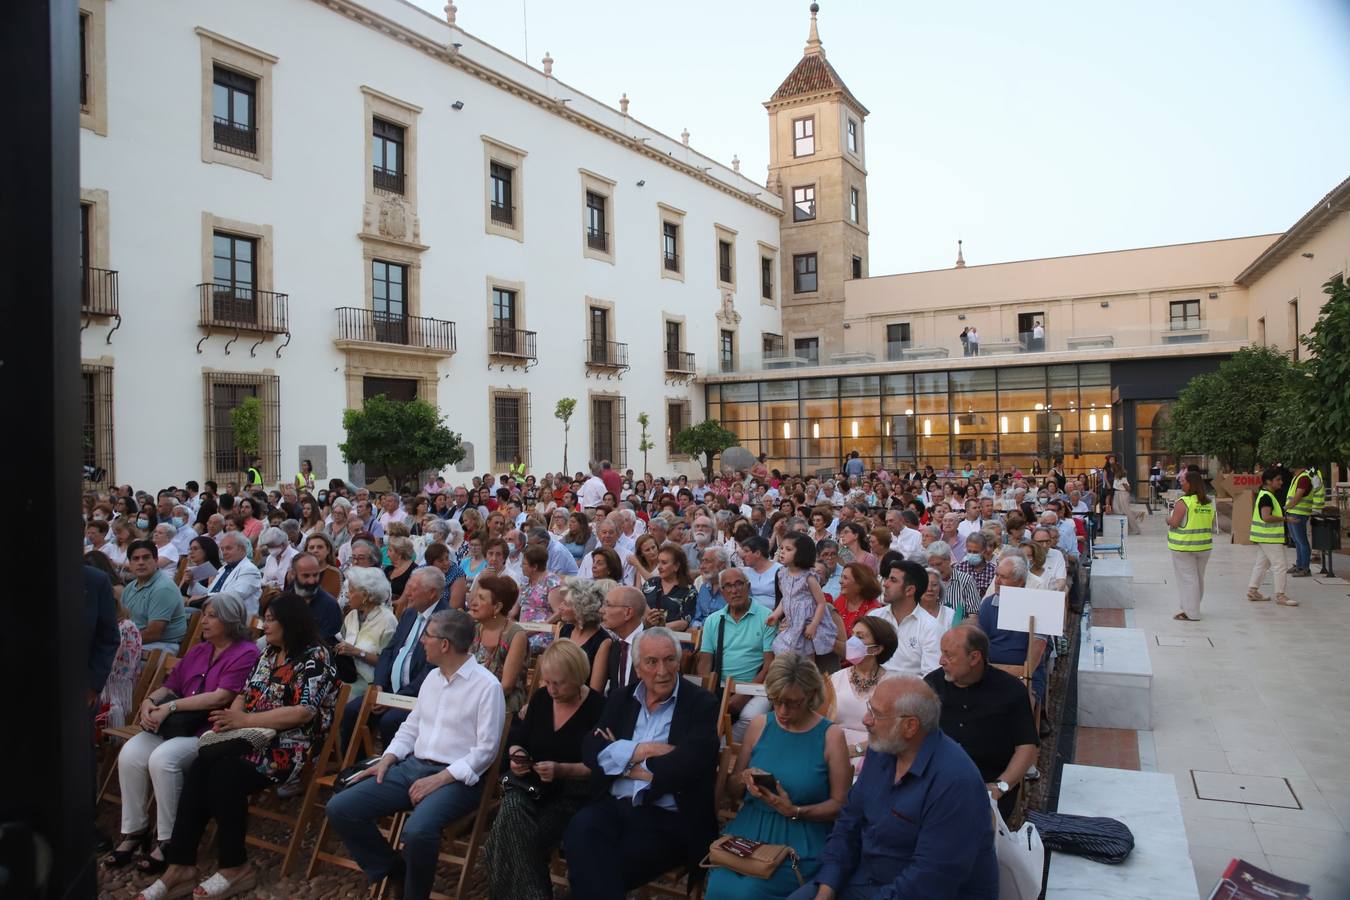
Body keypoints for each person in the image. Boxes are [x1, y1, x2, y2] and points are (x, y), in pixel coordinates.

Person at [134, 593, 337, 900]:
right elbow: (245, 690)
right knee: (202, 763)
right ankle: (181, 863)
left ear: (290, 622)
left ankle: (234, 866)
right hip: (248, 735)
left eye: (270, 620)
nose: (264, 625)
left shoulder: (315, 657)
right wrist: (234, 716)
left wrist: (242, 720)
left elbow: (302, 712)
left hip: (287, 746)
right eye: (264, 619)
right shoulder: (270, 652)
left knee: (223, 774)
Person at [326, 609, 505, 900]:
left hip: (458, 779)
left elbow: (485, 751)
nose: (422, 641)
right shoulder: (433, 678)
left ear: (445, 644)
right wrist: (388, 758)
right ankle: (395, 870)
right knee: (341, 807)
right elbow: (412, 725)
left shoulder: (487, 686)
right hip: (413, 766)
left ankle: (413, 895)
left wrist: (440, 780)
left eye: (428, 636)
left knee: (418, 832)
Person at [786, 677, 998, 900]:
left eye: (876, 714)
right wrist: (828, 886)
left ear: (910, 726)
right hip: (865, 880)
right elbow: (849, 823)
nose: (866, 720)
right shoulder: (882, 751)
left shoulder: (955, 782)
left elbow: (929, 881)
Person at [562, 628, 720, 899]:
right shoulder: (621, 698)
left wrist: (620, 759)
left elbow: (688, 764)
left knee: (601, 866)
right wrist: (645, 751)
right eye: (652, 662)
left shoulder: (700, 703)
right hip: (614, 806)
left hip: (669, 816)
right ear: (637, 667)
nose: (663, 670)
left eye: (670, 660)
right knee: (579, 829)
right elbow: (591, 749)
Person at [112, 594, 259, 873]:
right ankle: (136, 830)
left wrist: (169, 706)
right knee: (130, 753)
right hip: (174, 724)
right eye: (204, 613)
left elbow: (220, 697)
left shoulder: (246, 652)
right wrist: (149, 703)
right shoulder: (200, 650)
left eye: (212, 615)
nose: (203, 620)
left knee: (163, 760)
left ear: (230, 620)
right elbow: (170, 684)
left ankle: (170, 840)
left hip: (208, 730)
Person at [710, 653, 851, 899]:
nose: (783, 711)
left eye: (792, 703)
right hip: (749, 830)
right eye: (776, 701)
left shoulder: (830, 736)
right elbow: (732, 791)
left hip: (800, 839)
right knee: (718, 886)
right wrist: (745, 778)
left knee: (749, 892)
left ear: (810, 695)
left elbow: (840, 805)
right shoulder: (760, 725)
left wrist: (795, 810)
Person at [484, 640, 605, 900]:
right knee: (514, 812)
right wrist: (517, 754)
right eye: (547, 682)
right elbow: (520, 739)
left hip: (571, 795)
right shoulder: (541, 699)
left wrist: (562, 769)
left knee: (504, 842)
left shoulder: (597, 709)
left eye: (558, 683)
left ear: (577, 676)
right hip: (532, 786)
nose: (551, 689)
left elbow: (601, 767)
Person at [925, 625, 1038, 822]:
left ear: (974, 658)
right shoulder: (931, 685)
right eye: (942, 653)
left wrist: (1001, 786)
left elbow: (1026, 746)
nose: (941, 661)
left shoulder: (1011, 690)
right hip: (937, 782)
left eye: (949, 655)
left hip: (988, 784)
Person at [338, 567, 449, 750]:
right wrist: (379, 685)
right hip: (390, 689)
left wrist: (393, 699)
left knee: (391, 721)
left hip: (417, 695)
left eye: (413, 589)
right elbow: (389, 651)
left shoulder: (446, 619)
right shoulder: (410, 613)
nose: (407, 594)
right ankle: (354, 769)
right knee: (352, 711)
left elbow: (433, 669)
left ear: (431, 593)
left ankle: (391, 770)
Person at [697, 568, 775, 742]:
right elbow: (705, 663)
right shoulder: (714, 620)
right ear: (722, 592)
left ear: (748, 587)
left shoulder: (767, 617)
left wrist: (743, 695)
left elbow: (770, 665)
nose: (734, 590)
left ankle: (724, 749)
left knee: (750, 716)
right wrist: (705, 695)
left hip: (757, 687)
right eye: (728, 586)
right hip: (721, 687)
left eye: (739, 584)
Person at [977, 555, 1050, 706]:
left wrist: (1025, 677)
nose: (997, 581)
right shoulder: (988, 604)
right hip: (991, 672)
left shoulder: (1038, 604)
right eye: (996, 575)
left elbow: (1039, 645)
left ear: (1020, 582)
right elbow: (980, 644)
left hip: (1027, 674)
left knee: (1019, 703)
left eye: (1003, 577)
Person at [828, 615, 898, 765]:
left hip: (877, 758)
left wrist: (856, 750)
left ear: (877, 649)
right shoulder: (834, 679)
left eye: (860, 637)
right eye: (852, 635)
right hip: (834, 756)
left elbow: (893, 733)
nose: (851, 641)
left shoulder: (892, 685)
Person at [767, 533, 836, 666]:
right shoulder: (782, 574)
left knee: (806, 658)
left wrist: (814, 625)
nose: (782, 552)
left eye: (788, 549)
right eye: (781, 548)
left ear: (801, 553)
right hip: (792, 624)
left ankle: (809, 681)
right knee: (782, 651)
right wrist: (776, 614)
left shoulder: (808, 577)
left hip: (805, 623)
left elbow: (821, 603)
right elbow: (786, 598)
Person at [334, 566, 398, 698]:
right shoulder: (351, 616)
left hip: (370, 685)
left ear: (365, 595)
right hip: (346, 677)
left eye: (351, 591)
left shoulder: (387, 620)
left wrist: (356, 652)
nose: (347, 595)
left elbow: (390, 663)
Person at [469, 575, 529, 715]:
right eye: (475, 596)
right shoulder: (473, 628)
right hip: (471, 697)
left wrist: (472, 703)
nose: (473, 603)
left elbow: (506, 686)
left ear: (497, 607)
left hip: (501, 702)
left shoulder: (516, 635)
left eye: (481, 598)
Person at [871, 558, 941, 678]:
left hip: (909, 692)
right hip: (870, 688)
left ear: (909, 590)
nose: (885, 584)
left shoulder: (931, 627)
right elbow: (859, 659)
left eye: (893, 580)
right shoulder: (874, 617)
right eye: (888, 578)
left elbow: (931, 677)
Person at [121, 540, 189, 653]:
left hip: (161, 645)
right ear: (130, 564)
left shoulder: (163, 588)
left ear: (156, 560)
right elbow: (121, 621)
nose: (141, 562)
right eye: (136, 559)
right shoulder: (129, 588)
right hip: (135, 640)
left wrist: (120, 642)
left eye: (146, 557)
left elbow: (154, 633)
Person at [1167, 470, 1215, 621]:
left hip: (1184, 547)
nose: (1181, 482)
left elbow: (1174, 522)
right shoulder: (1208, 502)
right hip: (1204, 547)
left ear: (1191, 483)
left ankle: (1191, 613)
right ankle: (1193, 606)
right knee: (1198, 578)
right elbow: (1211, 524)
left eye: (1183, 481)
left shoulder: (1184, 502)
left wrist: (1167, 519)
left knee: (1187, 580)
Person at [1248, 466, 1295, 607]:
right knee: (1280, 565)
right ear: (1268, 481)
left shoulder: (1266, 495)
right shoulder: (1267, 497)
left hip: (1265, 537)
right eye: (1278, 480)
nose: (1281, 482)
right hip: (1269, 537)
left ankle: (1252, 590)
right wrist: (1286, 520)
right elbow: (1266, 517)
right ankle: (1281, 596)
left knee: (1262, 564)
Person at [203, 532, 263, 616]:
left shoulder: (250, 570)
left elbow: (233, 596)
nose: (224, 553)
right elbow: (211, 591)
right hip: (216, 612)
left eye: (228, 548)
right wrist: (192, 583)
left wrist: (203, 598)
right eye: (222, 549)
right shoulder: (222, 569)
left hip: (236, 620)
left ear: (242, 549)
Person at [641, 543, 696, 630]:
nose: (659, 567)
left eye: (664, 563)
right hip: (645, 635)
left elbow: (685, 622)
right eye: (658, 562)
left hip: (674, 638)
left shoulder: (688, 590)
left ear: (676, 566)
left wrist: (659, 628)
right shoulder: (650, 583)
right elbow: (640, 609)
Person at [1284, 464, 1316, 578]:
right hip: (1293, 512)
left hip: (1299, 513)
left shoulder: (1304, 478)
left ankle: (1305, 568)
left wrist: (1286, 507)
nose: (1289, 466)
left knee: (1302, 541)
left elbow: (1298, 496)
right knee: (1297, 541)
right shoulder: (1297, 477)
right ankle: (1299, 565)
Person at [831, 562, 882, 635]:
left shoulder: (873, 610)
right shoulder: (842, 599)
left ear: (860, 583)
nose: (840, 581)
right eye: (841, 577)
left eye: (845, 578)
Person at [739, 535, 781, 609]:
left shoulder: (779, 570)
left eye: (746, 551)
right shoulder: (744, 572)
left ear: (758, 553)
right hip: (751, 614)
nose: (743, 555)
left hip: (774, 614)